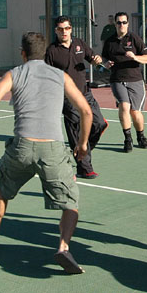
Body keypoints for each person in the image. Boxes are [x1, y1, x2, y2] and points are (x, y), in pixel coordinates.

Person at [0, 32, 93, 274]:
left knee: (2, 191)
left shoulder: (14, 73)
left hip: (22, 147)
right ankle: (63, 246)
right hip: (53, 148)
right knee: (70, 204)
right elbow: (86, 112)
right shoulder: (61, 75)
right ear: (45, 53)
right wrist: (82, 144)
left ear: (22, 53)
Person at [45, 16, 109, 179]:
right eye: (60, 29)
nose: (64, 32)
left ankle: (82, 149)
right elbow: (47, 76)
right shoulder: (52, 51)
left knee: (99, 124)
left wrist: (98, 61)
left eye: (66, 28)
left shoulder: (79, 43)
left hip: (85, 93)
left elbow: (94, 59)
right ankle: (84, 167)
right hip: (67, 97)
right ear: (56, 31)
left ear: (71, 29)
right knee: (76, 131)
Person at [101, 11, 147, 153]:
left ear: (128, 24)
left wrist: (135, 57)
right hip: (117, 79)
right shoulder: (110, 41)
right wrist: (105, 64)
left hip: (135, 79)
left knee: (135, 112)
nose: (121, 25)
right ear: (115, 24)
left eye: (124, 22)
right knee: (124, 106)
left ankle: (140, 136)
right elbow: (103, 58)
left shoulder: (135, 38)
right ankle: (127, 139)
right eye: (119, 22)